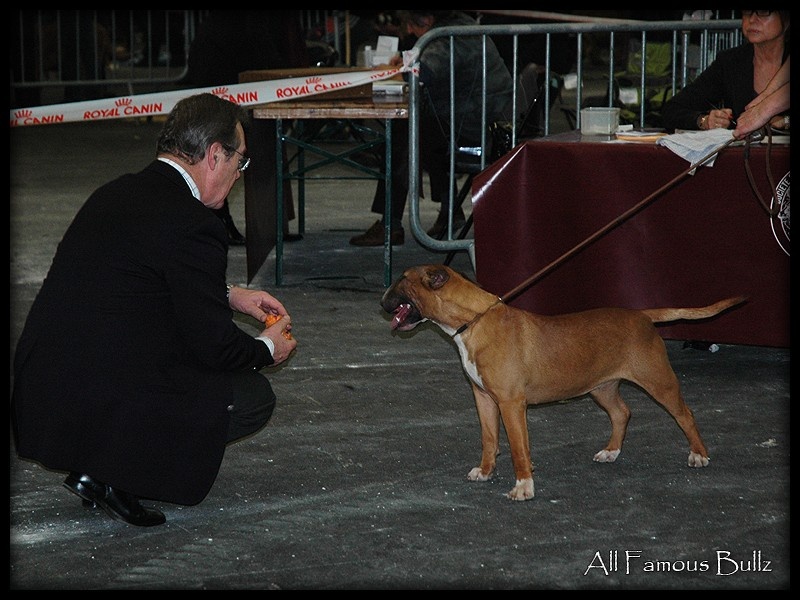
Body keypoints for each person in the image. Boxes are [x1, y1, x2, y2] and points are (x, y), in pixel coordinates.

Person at [11, 93, 298, 527]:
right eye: (240, 163)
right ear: (215, 155)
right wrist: (265, 349)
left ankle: (96, 465)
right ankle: (119, 473)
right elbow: (214, 347)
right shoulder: (195, 223)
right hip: (99, 395)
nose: (239, 176)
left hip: (43, 390)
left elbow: (141, 280)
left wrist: (225, 293)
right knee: (248, 398)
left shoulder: (116, 192)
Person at [349, 10, 513, 246]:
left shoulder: (449, 37)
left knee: (406, 133)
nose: (409, 32)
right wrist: (406, 60)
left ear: (426, 19)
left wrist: (401, 67)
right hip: (480, 117)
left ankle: (391, 223)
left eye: (411, 26)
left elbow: (423, 70)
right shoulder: (456, 30)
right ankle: (449, 213)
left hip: (481, 126)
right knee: (422, 128)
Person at [186, 10, 310, 245]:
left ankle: (270, 223)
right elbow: (259, 46)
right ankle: (220, 221)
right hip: (226, 76)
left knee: (260, 149)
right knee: (225, 153)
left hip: (237, 76)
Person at [661, 10, 789, 135]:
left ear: (786, 19)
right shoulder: (730, 61)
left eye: (763, 11)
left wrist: (786, 121)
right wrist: (704, 121)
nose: (752, 19)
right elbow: (672, 110)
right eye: (747, 12)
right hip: (743, 155)